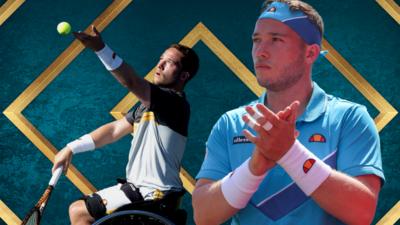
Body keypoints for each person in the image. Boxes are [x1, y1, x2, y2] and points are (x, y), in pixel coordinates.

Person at [192, 1, 384, 225]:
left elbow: (362, 213)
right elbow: (203, 216)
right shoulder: (230, 123)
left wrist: (289, 153)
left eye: (276, 39)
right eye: (256, 40)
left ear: (310, 53)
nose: (260, 52)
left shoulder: (350, 118)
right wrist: (253, 169)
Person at [52, 25, 199, 225]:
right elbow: (113, 130)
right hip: (136, 190)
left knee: (83, 213)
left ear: (184, 76)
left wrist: (100, 48)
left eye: (170, 62)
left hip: (156, 197)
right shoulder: (145, 108)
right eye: (161, 59)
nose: (160, 65)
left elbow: (130, 81)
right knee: (78, 211)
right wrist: (71, 147)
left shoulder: (175, 103)